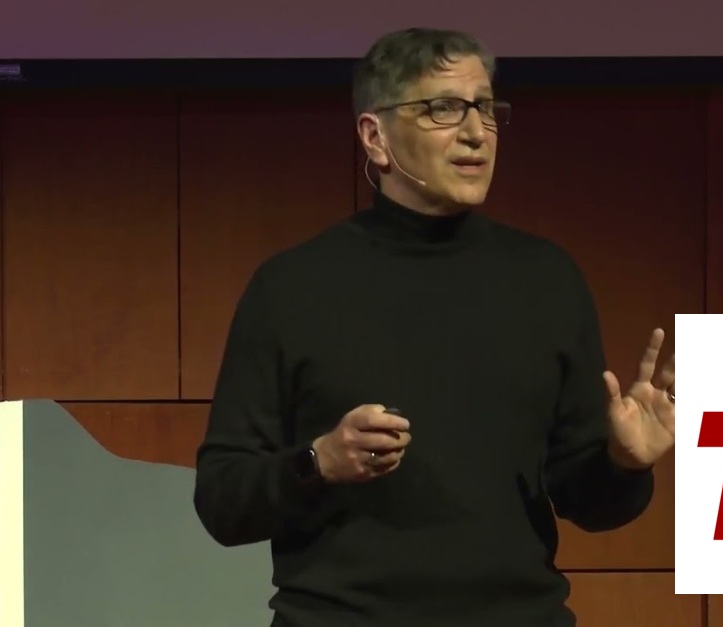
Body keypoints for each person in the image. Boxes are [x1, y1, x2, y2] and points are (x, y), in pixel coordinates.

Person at [193, 27, 677, 627]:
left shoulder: (546, 280)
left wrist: (625, 463)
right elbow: (222, 502)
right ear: (375, 137)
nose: (476, 132)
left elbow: (590, 503)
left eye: (485, 108)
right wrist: (319, 461)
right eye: (443, 109)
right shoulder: (291, 288)